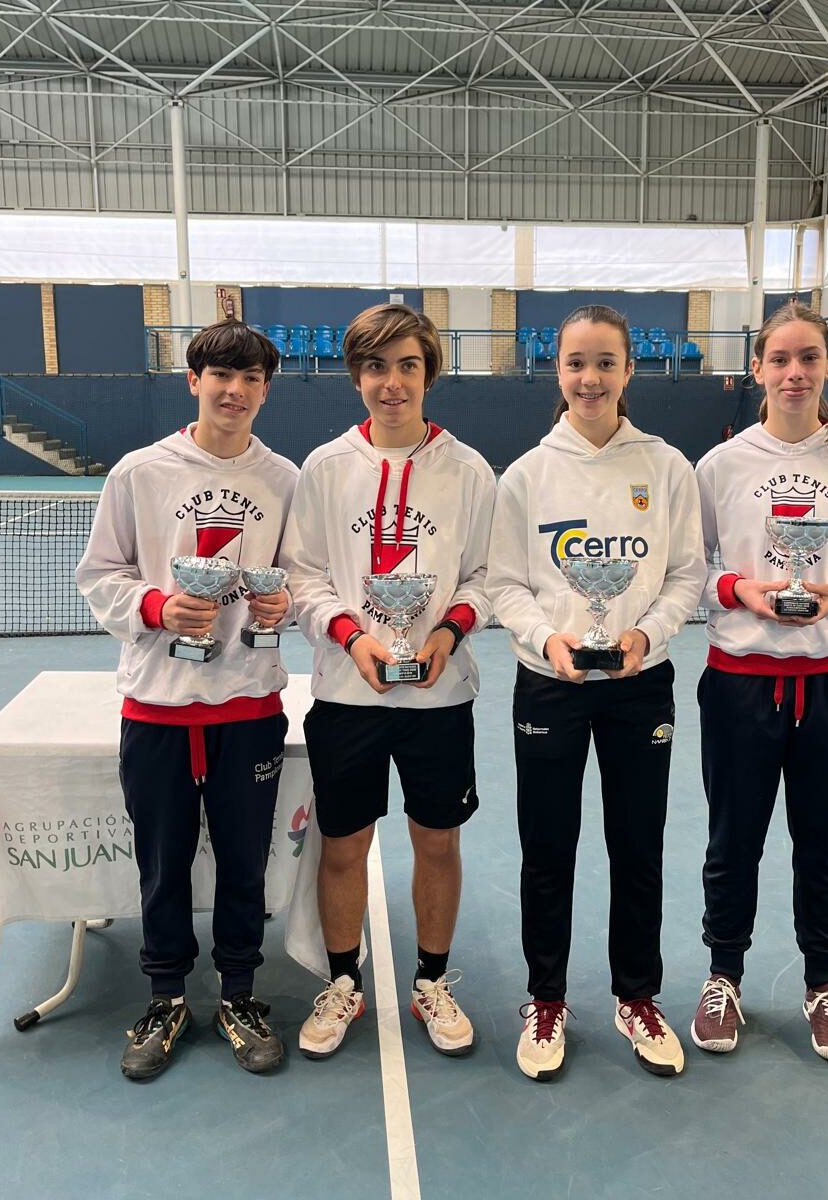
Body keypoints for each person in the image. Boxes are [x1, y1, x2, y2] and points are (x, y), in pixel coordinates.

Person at [690, 301, 828, 1063]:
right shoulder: (720, 466)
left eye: (808, 357)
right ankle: (724, 976)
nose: (794, 372)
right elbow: (689, 571)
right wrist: (741, 592)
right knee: (732, 843)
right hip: (739, 686)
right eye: (780, 359)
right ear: (756, 369)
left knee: (824, 848)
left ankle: (823, 983)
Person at [486, 304, 705, 1081]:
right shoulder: (526, 475)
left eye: (605, 362)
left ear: (628, 370)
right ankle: (545, 999)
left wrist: (645, 635)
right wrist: (548, 640)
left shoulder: (667, 468)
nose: (590, 378)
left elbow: (686, 574)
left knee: (637, 848)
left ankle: (636, 997)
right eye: (577, 363)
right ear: (557, 370)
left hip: (640, 686)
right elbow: (506, 584)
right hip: (549, 686)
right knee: (547, 851)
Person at [76, 319, 297, 1080]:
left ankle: (240, 995)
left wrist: (283, 604)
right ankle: (165, 997)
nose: (235, 391)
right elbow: (100, 573)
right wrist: (156, 607)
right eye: (220, 376)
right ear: (194, 380)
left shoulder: (284, 479)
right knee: (162, 863)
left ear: (266, 390)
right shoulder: (139, 472)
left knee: (244, 864)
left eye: (251, 379)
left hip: (249, 705)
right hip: (157, 707)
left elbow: (300, 577)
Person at [279, 303, 495, 1061]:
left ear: (429, 373)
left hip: (440, 698)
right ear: (356, 377)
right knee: (343, 847)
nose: (392, 383)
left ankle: (432, 981)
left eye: (407, 366)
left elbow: (486, 576)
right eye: (376, 367)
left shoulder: (469, 471)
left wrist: (446, 633)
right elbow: (303, 576)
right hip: (347, 697)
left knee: (437, 842)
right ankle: (343, 982)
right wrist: (352, 637)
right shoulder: (324, 468)